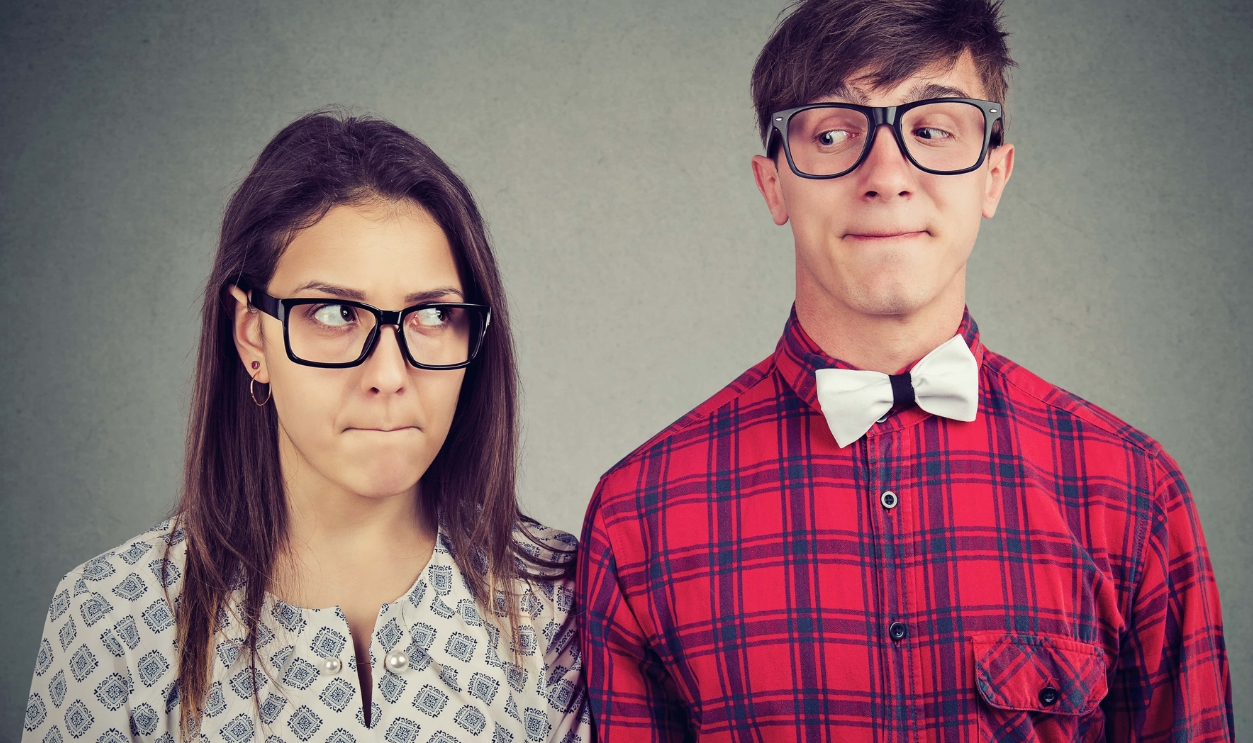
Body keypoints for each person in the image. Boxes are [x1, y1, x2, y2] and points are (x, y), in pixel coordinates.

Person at [577, 1, 1232, 741]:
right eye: (832, 134)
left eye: (931, 129)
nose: (885, 175)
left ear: (993, 175)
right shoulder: (638, 516)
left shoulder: (1133, 492)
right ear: (772, 184)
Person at [23, 110, 591, 743]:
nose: (388, 373)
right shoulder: (112, 619)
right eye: (332, 312)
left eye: (432, 313)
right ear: (251, 336)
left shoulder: (565, 604)